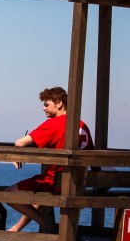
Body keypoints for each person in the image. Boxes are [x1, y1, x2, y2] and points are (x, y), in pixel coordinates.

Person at [5, 86, 94, 233]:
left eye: (46, 104)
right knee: (40, 197)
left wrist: (17, 154)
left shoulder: (54, 124)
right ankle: (16, 228)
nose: (43, 109)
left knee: (8, 194)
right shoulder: (82, 126)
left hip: (55, 183)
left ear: (59, 103)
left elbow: (20, 142)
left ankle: (44, 222)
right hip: (78, 184)